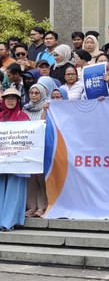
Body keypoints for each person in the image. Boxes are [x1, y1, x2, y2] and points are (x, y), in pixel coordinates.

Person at [0, 88, 30, 230]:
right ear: (3, 100)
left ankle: (8, 222)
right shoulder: (0, 116)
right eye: (7, 98)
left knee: (14, 190)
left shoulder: (23, 116)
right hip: (2, 160)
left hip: (18, 160)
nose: (10, 100)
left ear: (18, 100)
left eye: (13, 98)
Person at [22, 84, 47, 218]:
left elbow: (44, 125)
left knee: (41, 178)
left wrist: (45, 111)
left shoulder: (47, 108)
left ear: (42, 94)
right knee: (30, 178)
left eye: (37, 93)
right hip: (28, 148)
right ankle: (32, 206)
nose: (33, 95)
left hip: (42, 147)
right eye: (31, 92)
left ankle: (42, 206)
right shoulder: (25, 108)